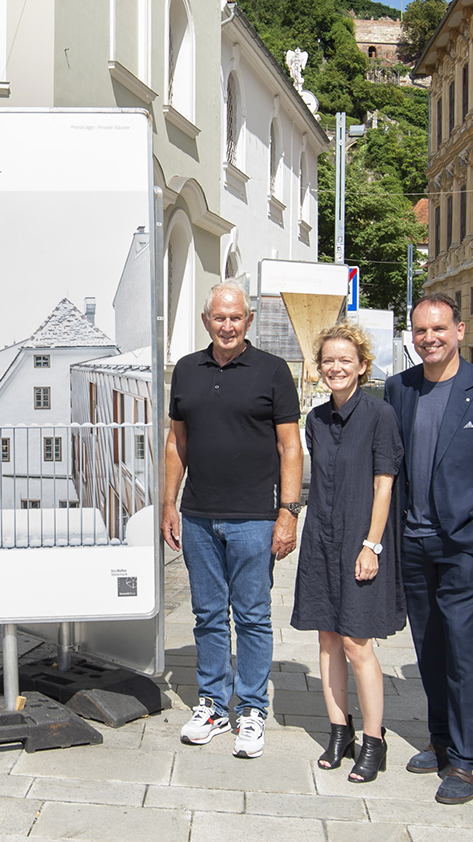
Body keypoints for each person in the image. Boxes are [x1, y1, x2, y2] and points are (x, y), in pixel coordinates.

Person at [386, 294, 473, 804]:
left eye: (439, 328)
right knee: (427, 644)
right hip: (412, 540)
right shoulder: (399, 388)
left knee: (463, 645)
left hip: (464, 543)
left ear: (460, 330)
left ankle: (468, 760)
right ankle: (441, 739)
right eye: (421, 330)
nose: (429, 338)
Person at [162, 279, 303, 759]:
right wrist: (168, 504)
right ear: (207, 321)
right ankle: (212, 705)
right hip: (199, 515)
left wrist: (288, 512)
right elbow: (176, 443)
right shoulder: (186, 370)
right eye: (219, 317)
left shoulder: (272, 370)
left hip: (254, 518)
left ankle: (252, 710)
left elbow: (290, 446)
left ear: (248, 321)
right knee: (207, 615)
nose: (227, 325)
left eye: (235, 317)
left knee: (253, 616)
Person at [291, 324, 403, 782]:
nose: (336, 367)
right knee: (327, 639)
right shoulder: (315, 420)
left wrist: (372, 545)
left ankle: (374, 740)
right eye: (328, 361)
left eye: (345, 360)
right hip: (321, 537)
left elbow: (384, 484)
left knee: (358, 643)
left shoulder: (380, 416)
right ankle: (340, 731)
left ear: (362, 366)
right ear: (320, 369)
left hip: (361, 540)